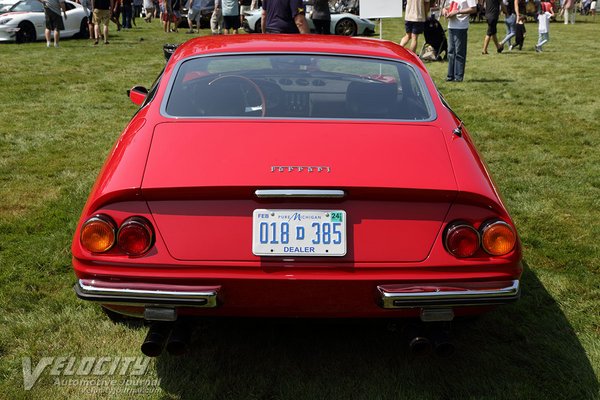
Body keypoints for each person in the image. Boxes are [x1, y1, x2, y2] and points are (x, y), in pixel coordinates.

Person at [442, 0, 477, 82]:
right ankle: (450, 76)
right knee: (451, 52)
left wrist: (458, 12)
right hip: (451, 25)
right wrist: (445, 10)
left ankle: (458, 76)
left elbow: (474, 9)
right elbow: (449, 6)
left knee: (459, 52)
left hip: (461, 26)